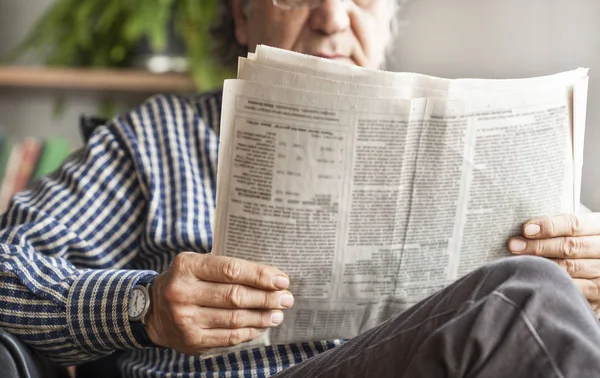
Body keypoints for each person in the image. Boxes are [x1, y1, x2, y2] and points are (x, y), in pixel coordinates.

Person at [1, 0, 600, 377]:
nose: (333, 18)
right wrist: (143, 308)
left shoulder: (464, 138)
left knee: (535, 291)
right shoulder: (157, 140)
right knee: (526, 297)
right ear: (241, 15)